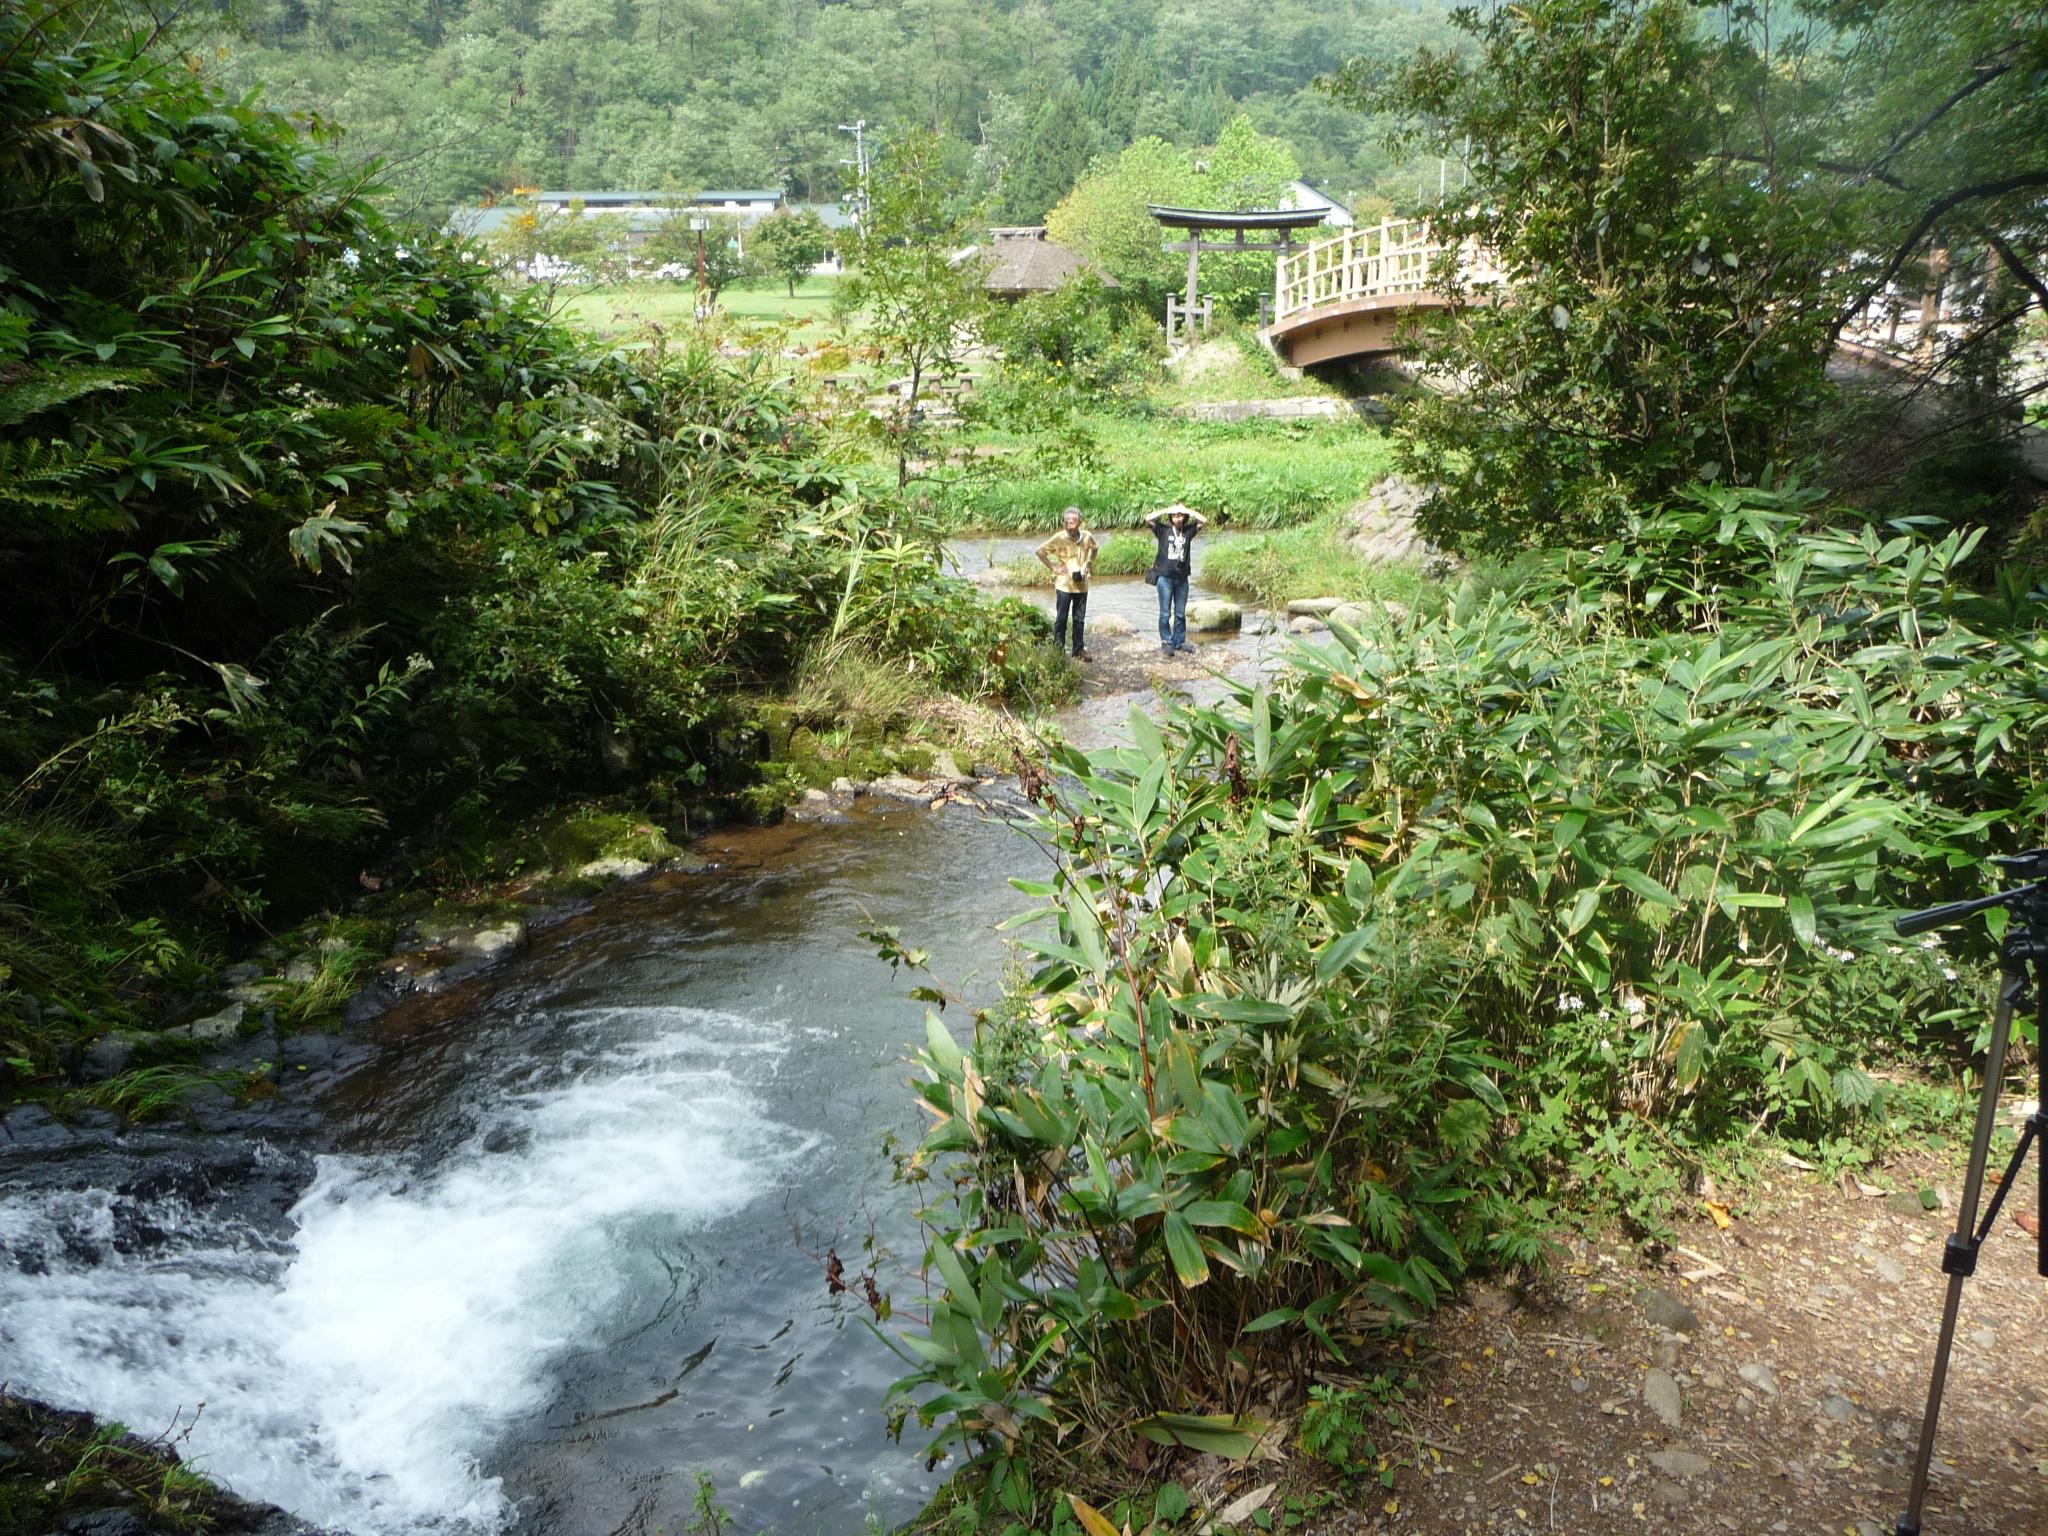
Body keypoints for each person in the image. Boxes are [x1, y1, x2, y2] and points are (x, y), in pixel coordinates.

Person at [1143, 502, 1206, 655]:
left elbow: (1204, 520)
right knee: (1165, 613)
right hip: (1165, 578)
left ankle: (1179, 642)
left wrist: (1186, 509)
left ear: (1185, 517)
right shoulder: (1163, 530)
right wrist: (1168, 509)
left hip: (1182, 579)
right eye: (1175, 515)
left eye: (1181, 515)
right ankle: (1166, 642)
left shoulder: (1188, 531)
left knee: (1180, 614)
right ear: (1171, 517)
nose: (1178, 518)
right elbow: (1148, 518)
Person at [1035, 505, 1098, 659]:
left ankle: (1078, 650)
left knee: (1079, 619)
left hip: (1081, 585)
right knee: (1061, 618)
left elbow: (1095, 548)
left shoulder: (1087, 536)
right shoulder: (1059, 538)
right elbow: (1040, 552)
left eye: (1073, 522)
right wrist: (1053, 567)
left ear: (1080, 522)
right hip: (1064, 585)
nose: (1070, 526)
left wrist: (1089, 563)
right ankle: (1058, 650)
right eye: (1067, 522)